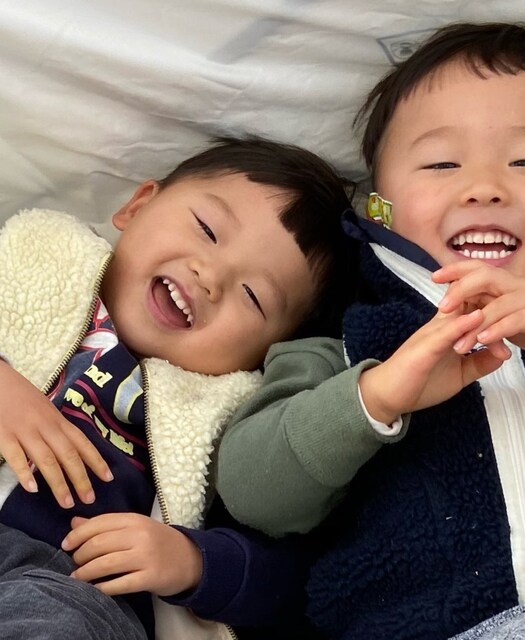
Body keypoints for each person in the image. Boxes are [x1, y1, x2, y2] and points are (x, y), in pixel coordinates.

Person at [216, 23, 525, 640]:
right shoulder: (345, 341)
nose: (484, 189)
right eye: (442, 163)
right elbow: (254, 496)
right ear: (379, 210)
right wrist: (376, 397)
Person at [0, 135, 356, 639]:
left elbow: (293, 579)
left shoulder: (235, 422)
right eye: (207, 229)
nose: (210, 276)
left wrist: (193, 562)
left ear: (266, 354)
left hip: (65, 585)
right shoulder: (36, 264)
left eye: (253, 296)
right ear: (138, 205)